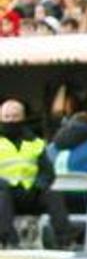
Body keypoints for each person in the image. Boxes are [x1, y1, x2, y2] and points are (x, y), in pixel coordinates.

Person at [0, 100, 73, 247]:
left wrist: (38, 185)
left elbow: (48, 172)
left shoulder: (36, 143)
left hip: (31, 193)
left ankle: (65, 240)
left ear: (23, 118)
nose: (11, 121)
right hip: (4, 193)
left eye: (15, 116)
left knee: (53, 194)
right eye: (6, 117)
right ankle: (9, 241)